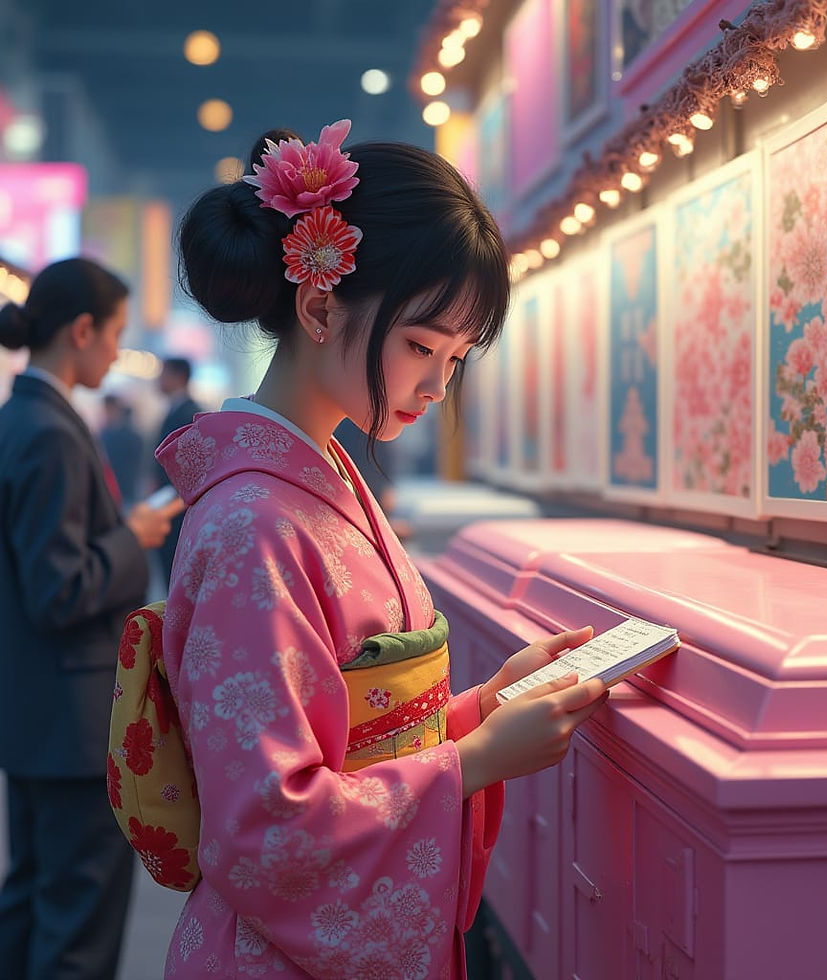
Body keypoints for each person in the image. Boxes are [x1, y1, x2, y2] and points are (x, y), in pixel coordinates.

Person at [154, 120, 608, 978]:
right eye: (420, 346)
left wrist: (485, 708)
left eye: (457, 356)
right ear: (319, 305)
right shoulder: (254, 523)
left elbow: (365, 738)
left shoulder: (319, 472)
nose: (438, 385)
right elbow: (266, 827)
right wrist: (471, 761)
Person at [0, 257, 182, 979]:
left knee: (35, 899)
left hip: (37, 715)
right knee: (79, 922)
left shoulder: (26, 418)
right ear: (81, 332)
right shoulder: (49, 431)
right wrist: (131, 541)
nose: (116, 351)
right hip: (72, 725)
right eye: (113, 334)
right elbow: (59, 589)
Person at [151, 356, 201, 586]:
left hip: (177, 510)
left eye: (163, 373)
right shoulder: (176, 410)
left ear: (178, 377)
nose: (158, 379)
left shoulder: (189, 413)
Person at [99, 392, 145, 507]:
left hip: (125, 489)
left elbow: (136, 465)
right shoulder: (104, 433)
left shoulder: (132, 436)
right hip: (108, 489)